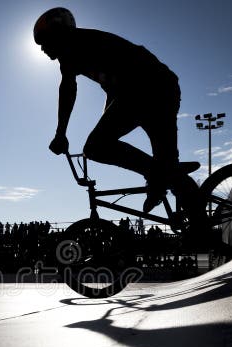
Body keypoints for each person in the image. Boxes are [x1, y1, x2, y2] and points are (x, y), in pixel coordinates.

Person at [34, 7, 198, 211]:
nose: (42, 49)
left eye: (44, 41)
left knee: (96, 147)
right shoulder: (82, 48)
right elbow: (113, 92)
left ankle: (160, 177)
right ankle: (194, 218)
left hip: (147, 88)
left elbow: (67, 91)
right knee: (171, 172)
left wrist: (61, 133)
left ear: (59, 33)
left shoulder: (73, 46)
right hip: (159, 89)